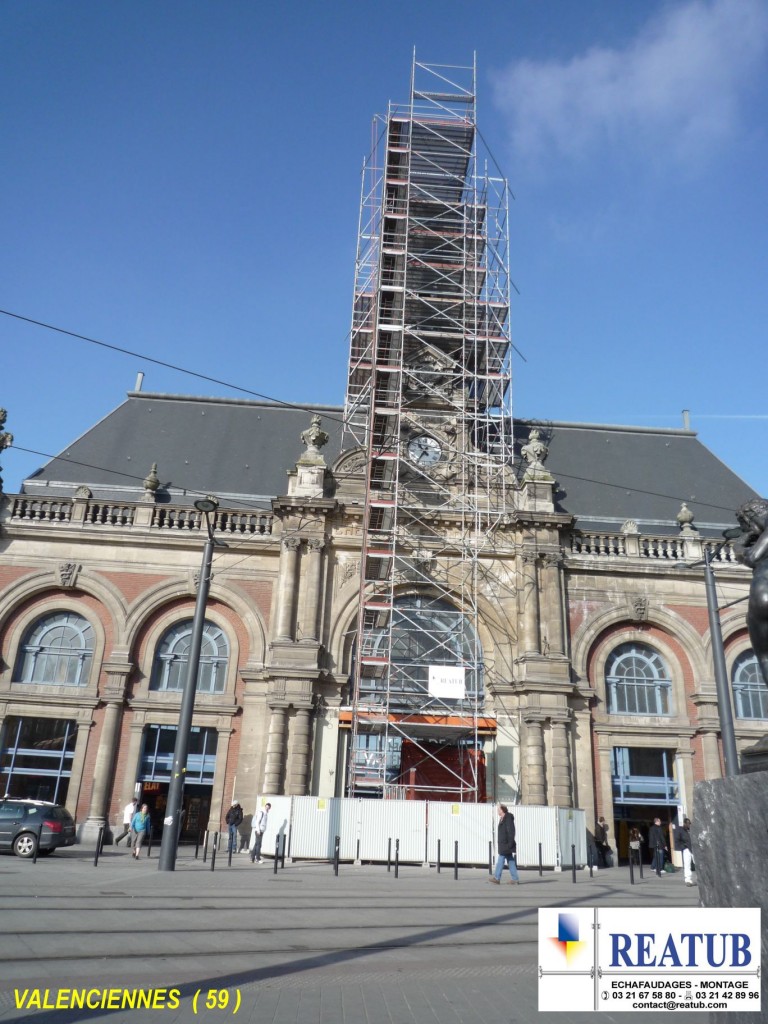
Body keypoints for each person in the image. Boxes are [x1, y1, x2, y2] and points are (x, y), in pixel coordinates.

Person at [734, 498, 768, 686]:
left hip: (762, 594)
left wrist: (739, 544)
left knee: (765, 657)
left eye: (746, 526)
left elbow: (753, 557)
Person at [489, 804, 520, 885]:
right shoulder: (502, 819)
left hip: (506, 844)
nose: (497, 810)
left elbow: (511, 831)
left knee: (501, 859)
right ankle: (515, 879)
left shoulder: (508, 818)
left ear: (502, 810)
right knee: (510, 860)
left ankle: (497, 877)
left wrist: (510, 843)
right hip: (503, 844)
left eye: (498, 809)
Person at [674, 817, 696, 886]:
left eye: (689, 823)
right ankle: (688, 879)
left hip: (694, 848)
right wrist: (683, 847)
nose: (689, 825)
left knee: (697, 864)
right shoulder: (681, 830)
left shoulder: (692, 830)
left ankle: (700, 878)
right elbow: (677, 840)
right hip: (686, 848)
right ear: (684, 823)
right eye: (687, 823)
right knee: (687, 864)